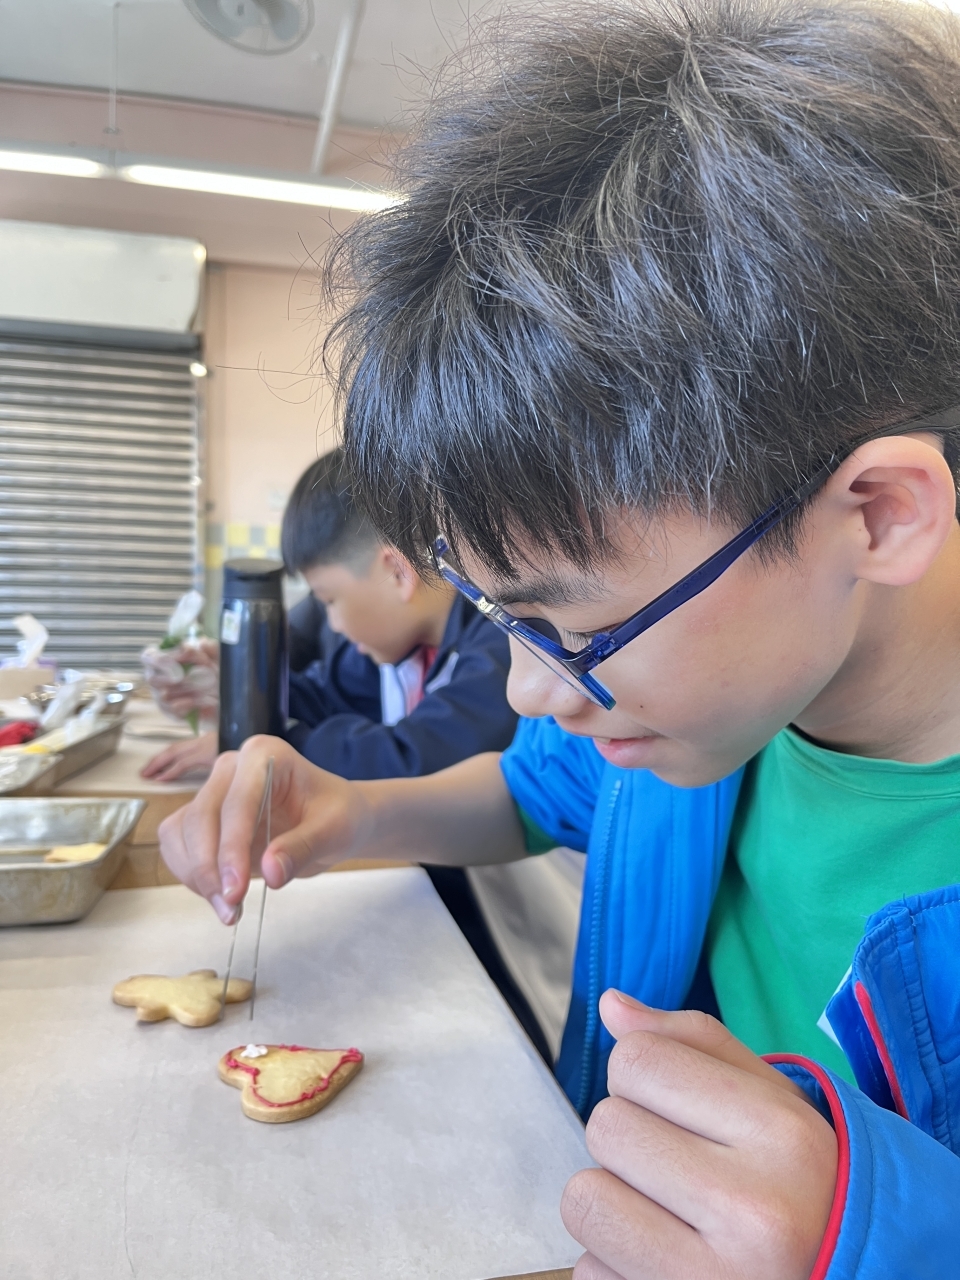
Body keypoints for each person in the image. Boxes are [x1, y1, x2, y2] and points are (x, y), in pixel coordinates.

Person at [160, 2, 960, 1275]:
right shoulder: (723, 704)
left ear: (876, 513)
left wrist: (880, 1235)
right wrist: (351, 813)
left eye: (569, 625)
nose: (531, 689)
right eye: (495, 616)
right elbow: (535, 792)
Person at [142, 449, 518, 783]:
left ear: (397, 573)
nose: (332, 624)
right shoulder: (394, 649)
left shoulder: (502, 644)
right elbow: (323, 698)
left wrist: (263, 751)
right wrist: (236, 685)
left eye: (329, 600)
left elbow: (410, 757)